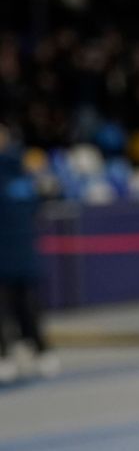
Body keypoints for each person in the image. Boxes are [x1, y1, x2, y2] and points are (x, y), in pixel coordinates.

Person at [0, 126, 59, 383]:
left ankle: (41, 351)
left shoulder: (23, 168)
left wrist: (44, 181)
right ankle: (4, 356)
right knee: (2, 310)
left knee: (28, 306)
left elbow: (47, 196)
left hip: (23, 250)